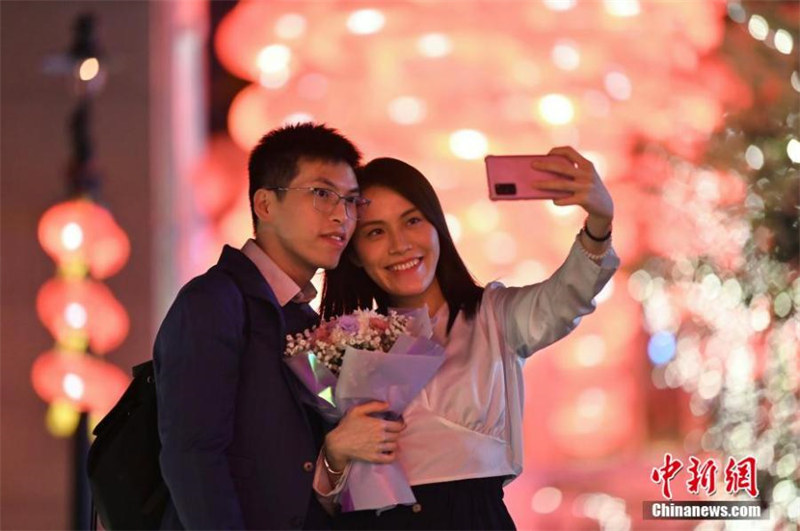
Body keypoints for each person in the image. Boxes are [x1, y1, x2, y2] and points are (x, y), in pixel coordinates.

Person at [317, 147, 620, 529]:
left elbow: (565, 298)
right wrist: (335, 452)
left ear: (437, 227)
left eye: (412, 221)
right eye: (375, 231)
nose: (399, 244)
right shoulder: (343, 343)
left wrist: (599, 224)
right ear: (355, 251)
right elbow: (321, 486)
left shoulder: (493, 316)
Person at [154, 122, 404, 530]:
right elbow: (193, 458)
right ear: (265, 205)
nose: (342, 216)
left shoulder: (305, 321)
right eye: (322, 194)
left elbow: (309, 456)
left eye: (351, 201)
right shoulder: (213, 303)